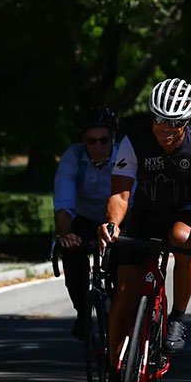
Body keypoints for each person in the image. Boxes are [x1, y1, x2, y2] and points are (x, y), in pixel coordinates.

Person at [98, 78, 191, 382]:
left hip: (187, 212)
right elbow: (121, 193)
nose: (164, 128)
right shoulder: (135, 141)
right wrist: (112, 223)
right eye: (158, 119)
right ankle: (114, 370)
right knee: (125, 292)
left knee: (181, 239)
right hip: (145, 214)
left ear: (187, 122)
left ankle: (177, 317)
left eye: (174, 123)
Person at [53, 107, 120, 339]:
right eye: (92, 141)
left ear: (113, 138)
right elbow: (63, 203)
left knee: (126, 259)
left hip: (119, 218)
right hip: (84, 219)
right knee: (72, 251)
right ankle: (82, 311)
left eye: (104, 140)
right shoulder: (74, 157)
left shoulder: (124, 156)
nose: (98, 147)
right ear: (83, 141)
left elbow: (131, 197)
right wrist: (66, 235)